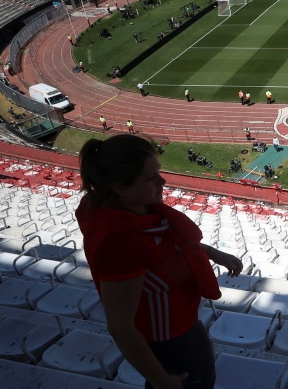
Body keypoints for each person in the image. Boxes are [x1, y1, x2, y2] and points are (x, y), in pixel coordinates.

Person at [77, 135, 243, 389]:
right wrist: (160, 379)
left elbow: (165, 247)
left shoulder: (137, 210)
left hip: (182, 324)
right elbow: (120, 326)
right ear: (120, 187)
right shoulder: (120, 243)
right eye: (151, 177)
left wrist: (210, 252)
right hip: (169, 341)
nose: (162, 181)